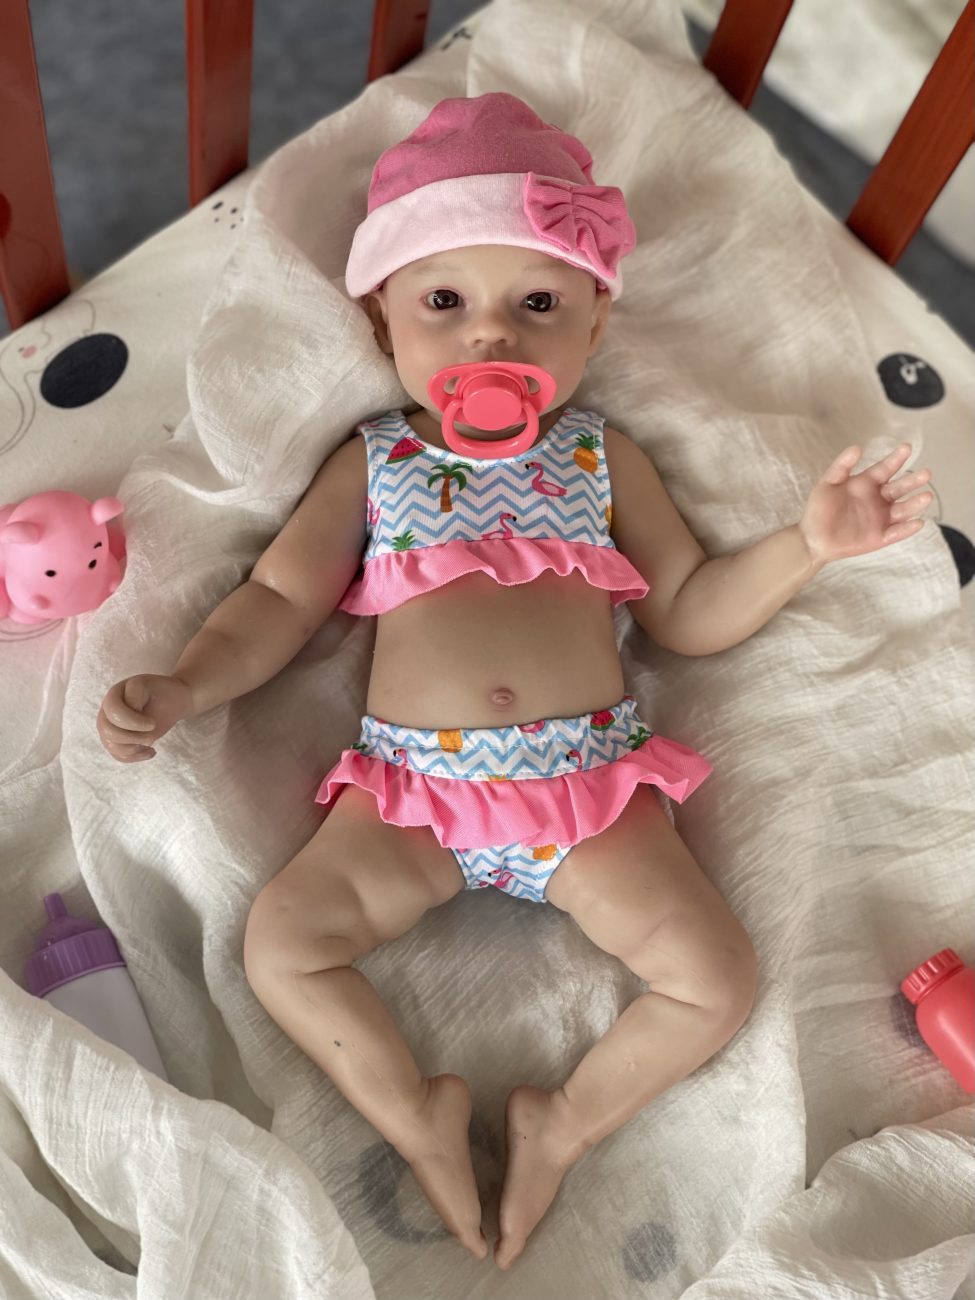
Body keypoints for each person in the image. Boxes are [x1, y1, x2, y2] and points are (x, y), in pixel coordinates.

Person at [96, 94, 934, 1269]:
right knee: (282, 943)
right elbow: (279, 600)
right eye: (444, 302)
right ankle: (414, 1116)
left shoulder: (600, 456)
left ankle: (564, 1123)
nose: (490, 337)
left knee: (716, 977)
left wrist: (808, 545)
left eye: (537, 304)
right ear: (381, 320)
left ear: (595, 325)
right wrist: (189, 684)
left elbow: (688, 613)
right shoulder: (379, 462)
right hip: (413, 795)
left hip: (587, 791)